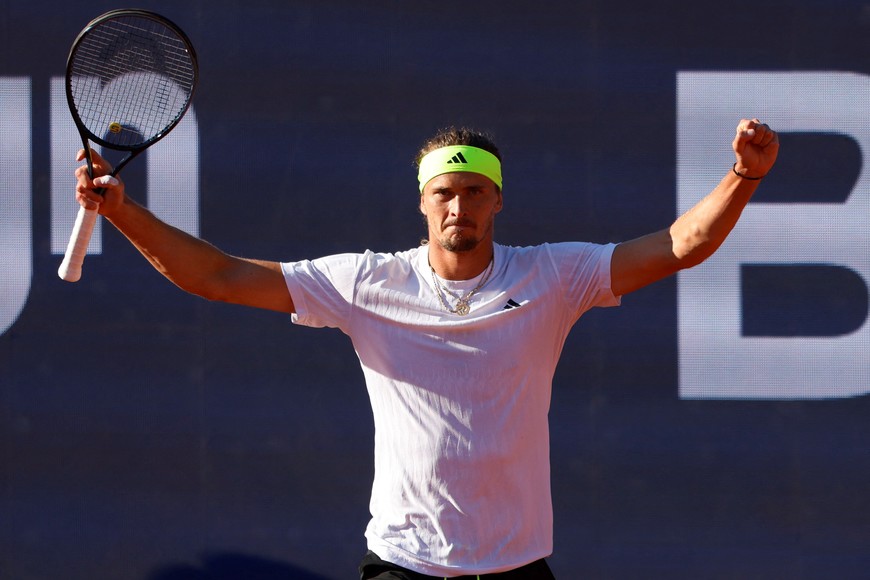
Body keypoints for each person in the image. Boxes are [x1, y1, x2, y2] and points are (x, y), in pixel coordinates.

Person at [73, 119, 779, 579]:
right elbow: (218, 276)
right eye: (445, 192)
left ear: (497, 201)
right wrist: (124, 212)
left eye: (475, 191)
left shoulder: (555, 276)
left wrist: (743, 176)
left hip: (518, 568)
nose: (458, 207)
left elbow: (684, 244)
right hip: (403, 566)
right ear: (421, 201)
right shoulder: (366, 282)